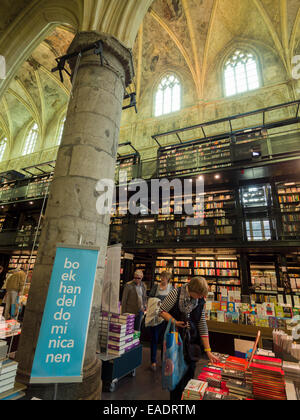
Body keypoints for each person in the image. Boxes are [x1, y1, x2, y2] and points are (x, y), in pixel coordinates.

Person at [159, 276, 219, 400]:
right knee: (175, 379)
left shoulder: (200, 300)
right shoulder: (175, 294)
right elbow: (161, 310)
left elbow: (202, 324)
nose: (200, 298)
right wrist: (174, 321)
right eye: (199, 295)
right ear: (191, 291)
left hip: (191, 344)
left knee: (189, 378)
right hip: (174, 343)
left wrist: (208, 351)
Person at [148, 271, 174, 372]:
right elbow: (150, 299)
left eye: (165, 277)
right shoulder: (155, 287)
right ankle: (153, 361)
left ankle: (164, 361)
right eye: (161, 277)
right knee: (154, 339)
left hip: (166, 318)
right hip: (155, 317)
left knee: (165, 341)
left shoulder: (171, 288)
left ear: (168, 279)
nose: (162, 279)